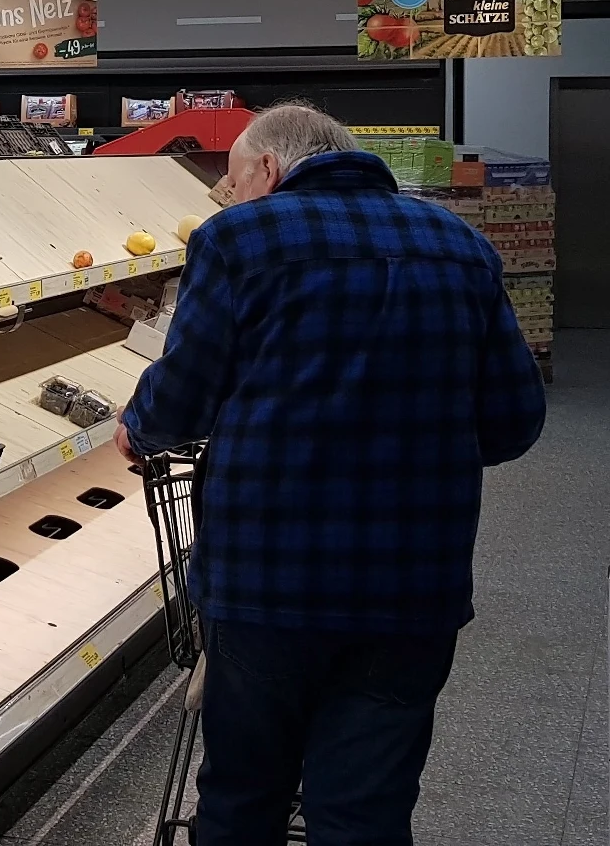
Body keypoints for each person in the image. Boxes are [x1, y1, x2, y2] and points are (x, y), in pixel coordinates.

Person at [116, 104, 546, 846]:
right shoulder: (462, 246)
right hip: (414, 588)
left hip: (265, 586)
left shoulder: (238, 241)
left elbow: (183, 397)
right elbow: (513, 422)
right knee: (365, 811)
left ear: (268, 170)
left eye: (231, 184)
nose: (227, 201)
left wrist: (138, 425)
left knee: (243, 795)